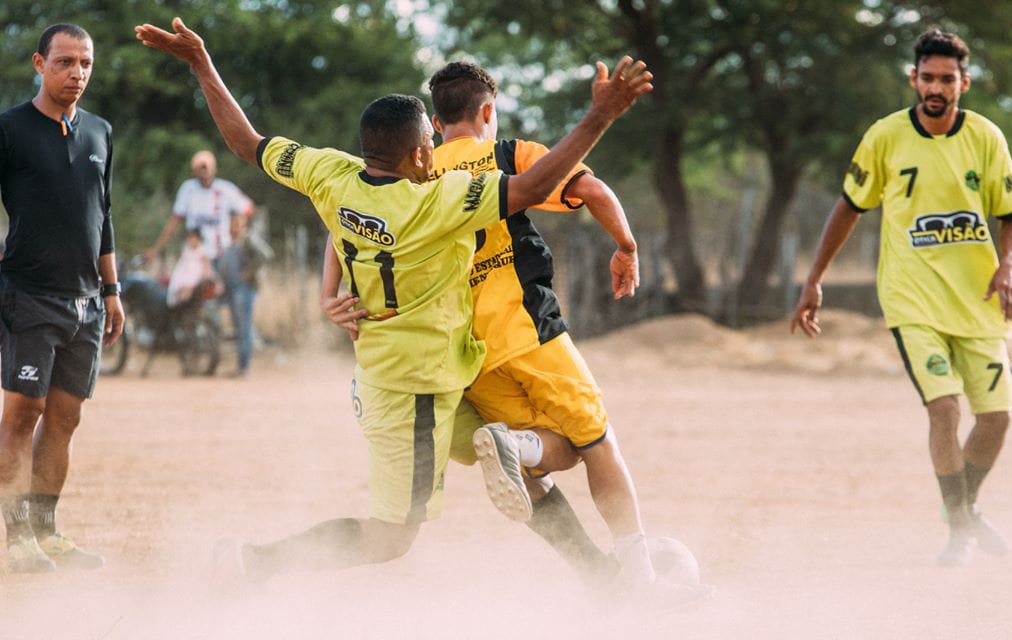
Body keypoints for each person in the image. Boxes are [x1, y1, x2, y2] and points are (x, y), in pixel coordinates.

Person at [134, 16, 651, 579]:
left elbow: (244, 142)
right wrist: (599, 115)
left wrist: (202, 64)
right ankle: (250, 563)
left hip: (428, 371)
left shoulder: (334, 174)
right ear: (417, 157)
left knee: (547, 453)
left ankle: (600, 578)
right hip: (417, 393)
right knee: (392, 537)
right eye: (429, 145)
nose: (435, 152)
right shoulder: (436, 204)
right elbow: (529, 187)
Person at [322, 61, 657, 589]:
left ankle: (545, 492)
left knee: (546, 458)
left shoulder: (416, 168)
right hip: (530, 328)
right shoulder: (509, 155)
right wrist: (627, 246)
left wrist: (335, 289)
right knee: (597, 442)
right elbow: (591, 191)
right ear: (487, 112)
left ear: (433, 123)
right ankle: (642, 576)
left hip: (469, 354)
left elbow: (353, 209)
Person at [791, 29, 1012, 567]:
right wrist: (814, 279)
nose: (936, 87)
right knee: (944, 408)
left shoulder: (986, 138)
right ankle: (962, 527)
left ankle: (962, 509)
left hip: (978, 303)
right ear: (913, 79)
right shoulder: (885, 137)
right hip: (911, 300)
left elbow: (1010, 219)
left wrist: (1008, 267)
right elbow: (848, 206)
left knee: (997, 417)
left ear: (964, 82)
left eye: (947, 78)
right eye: (927, 77)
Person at [0, 23, 125, 573]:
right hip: (29, 293)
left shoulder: (100, 131)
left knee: (66, 417)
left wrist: (113, 289)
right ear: (39, 63)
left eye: (86, 63)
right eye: (65, 62)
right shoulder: (9, 129)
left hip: (88, 302)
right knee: (23, 413)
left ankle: (47, 533)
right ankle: (16, 538)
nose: (77, 73)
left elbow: (104, 217)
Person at [144, 149, 254, 264]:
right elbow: (174, 222)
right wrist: (156, 249)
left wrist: (237, 223)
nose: (204, 171)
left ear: (214, 168)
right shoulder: (188, 189)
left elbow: (248, 208)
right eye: (201, 168)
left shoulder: (225, 189)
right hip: (195, 254)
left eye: (206, 167)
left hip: (221, 253)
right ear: (194, 170)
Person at [220, 212, 273, 377]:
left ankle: (244, 367)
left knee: (244, 328)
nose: (234, 227)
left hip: (243, 289)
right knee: (238, 328)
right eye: (232, 223)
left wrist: (249, 272)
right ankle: (240, 367)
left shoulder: (248, 240)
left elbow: (266, 254)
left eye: (237, 223)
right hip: (231, 289)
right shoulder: (230, 243)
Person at [166, 228, 216, 308]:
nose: (191, 240)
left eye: (193, 238)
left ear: (198, 238)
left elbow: (207, 268)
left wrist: (202, 278)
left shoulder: (202, 251)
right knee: (178, 293)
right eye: (189, 238)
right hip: (184, 276)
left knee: (187, 293)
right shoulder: (187, 250)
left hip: (196, 278)